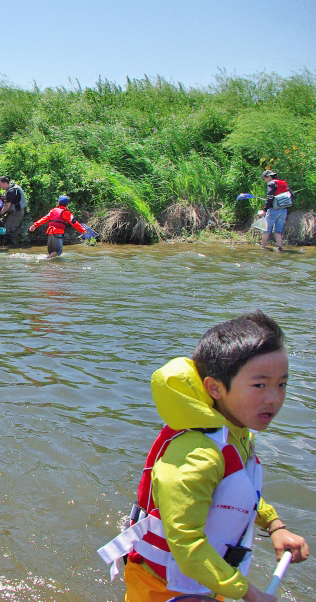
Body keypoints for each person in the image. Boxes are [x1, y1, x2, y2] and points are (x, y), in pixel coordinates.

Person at [98, 311, 309, 602]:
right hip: (165, 587)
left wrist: (275, 525)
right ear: (215, 388)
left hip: (207, 581)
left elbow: (236, 493)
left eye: (281, 384)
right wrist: (250, 594)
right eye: (259, 385)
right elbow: (187, 545)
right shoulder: (196, 457)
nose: (274, 399)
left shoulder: (235, 433)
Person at [258, 170, 290, 252]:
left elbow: (270, 197)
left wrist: (264, 210)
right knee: (278, 231)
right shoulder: (283, 183)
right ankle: (279, 247)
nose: (264, 180)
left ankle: (262, 248)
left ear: (269, 177)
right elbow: (290, 195)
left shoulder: (271, 183)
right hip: (283, 210)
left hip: (273, 210)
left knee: (266, 230)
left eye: (264, 178)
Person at [0, 176, 26, 246]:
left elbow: (7, 206)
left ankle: (13, 247)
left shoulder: (11, 191)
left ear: (5, 183)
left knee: (9, 230)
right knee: (4, 225)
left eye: (0, 184)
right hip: (15, 210)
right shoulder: (13, 187)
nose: (0, 186)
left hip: (17, 212)